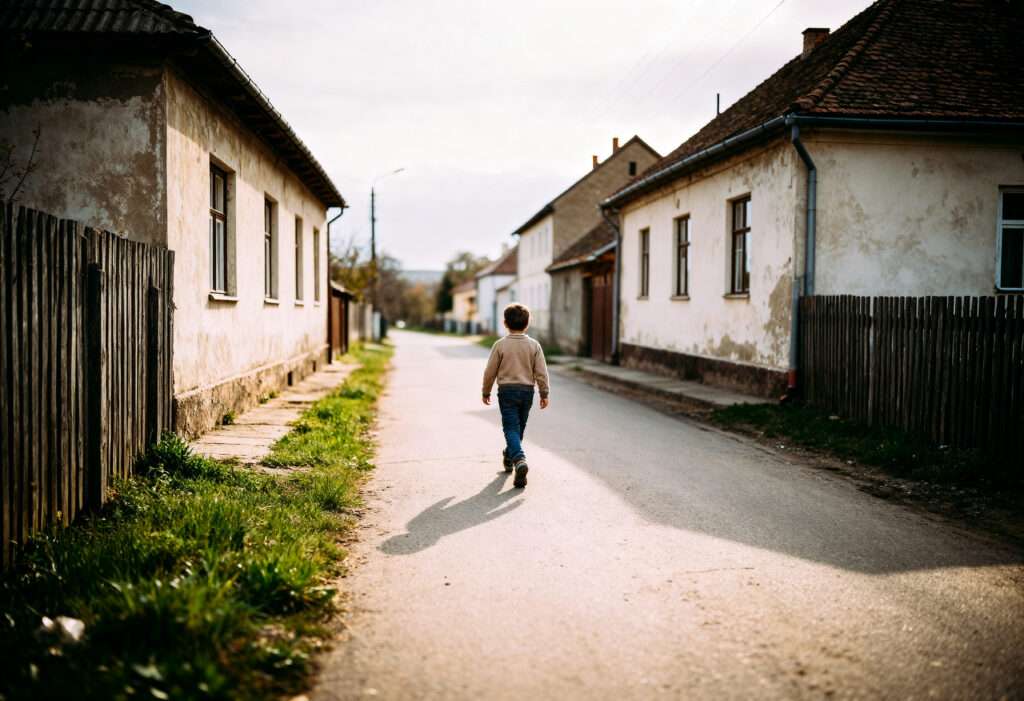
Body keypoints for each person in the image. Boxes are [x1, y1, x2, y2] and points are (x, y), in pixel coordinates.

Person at [481, 303, 550, 488]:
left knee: (511, 428)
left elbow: (490, 371)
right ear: (527, 324)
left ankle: (518, 459)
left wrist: (485, 390)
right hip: (527, 392)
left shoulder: (500, 345)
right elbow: (541, 371)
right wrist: (544, 392)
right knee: (518, 429)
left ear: (505, 323)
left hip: (507, 391)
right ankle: (510, 455)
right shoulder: (534, 345)